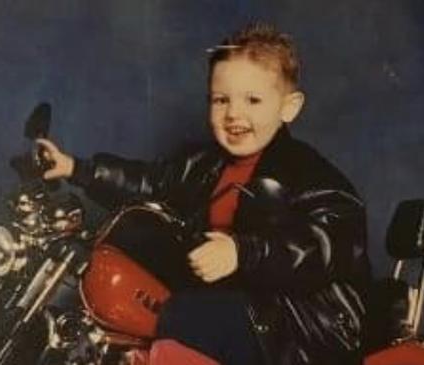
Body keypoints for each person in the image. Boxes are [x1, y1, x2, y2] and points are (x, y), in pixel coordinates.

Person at [36, 22, 372, 365]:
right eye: (221, 99)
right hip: (230, 306)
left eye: (253, 100)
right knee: (150, 311)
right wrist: (78, 169)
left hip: (305, 324)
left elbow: (323, 245)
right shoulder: (203, 164)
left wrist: (243, 252)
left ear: (289, 106)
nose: (234, 114)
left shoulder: (312, 175)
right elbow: (152, 183)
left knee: (183, 314)